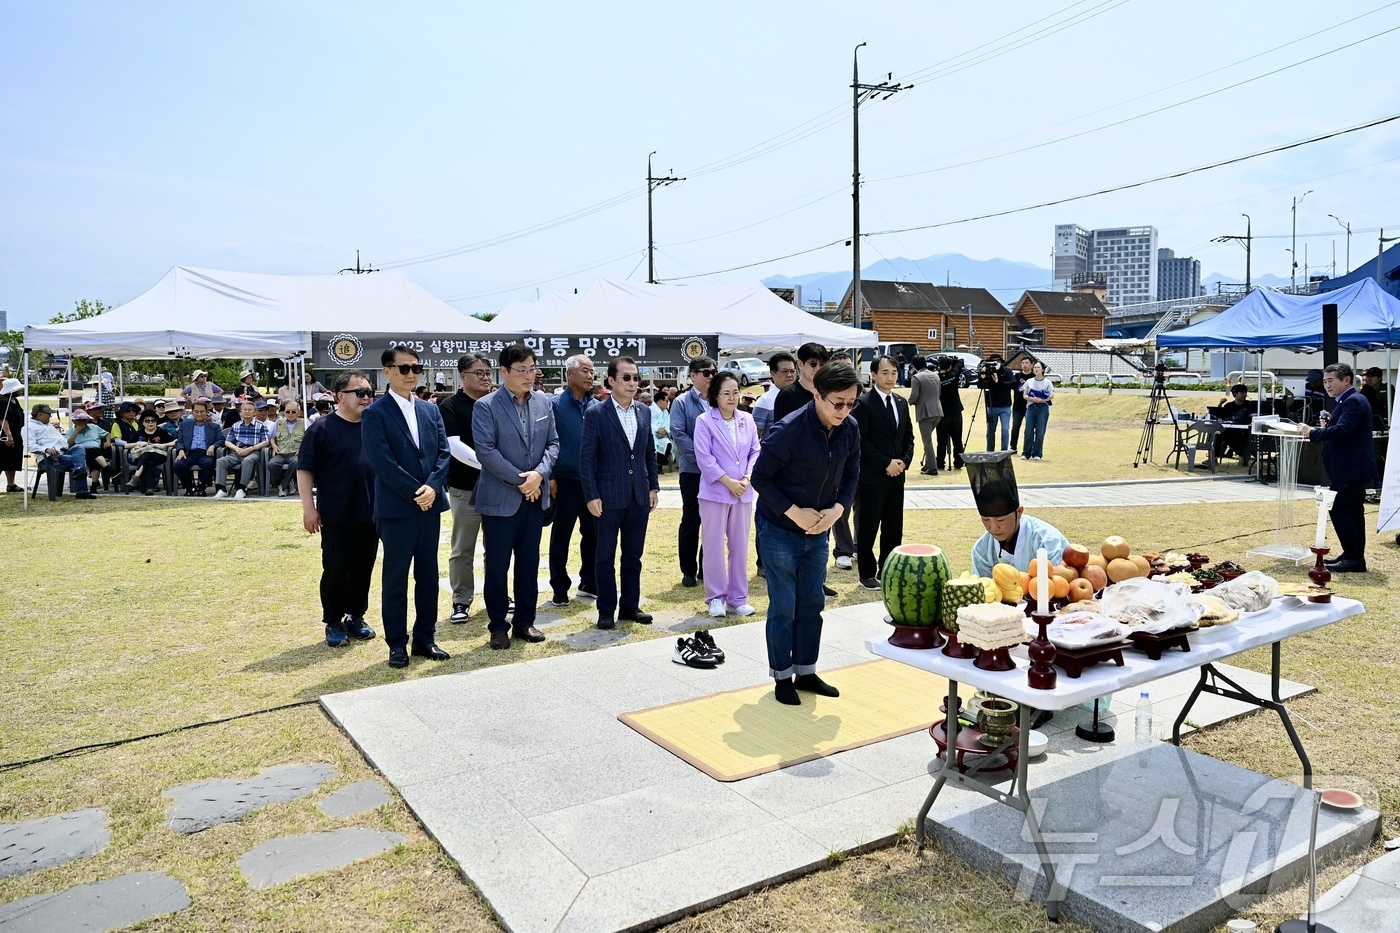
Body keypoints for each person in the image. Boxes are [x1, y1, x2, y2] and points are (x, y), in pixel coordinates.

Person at [753, 361, 861, 705]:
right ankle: (782, 676)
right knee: (784, 605)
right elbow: (760, 478)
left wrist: (839, 509)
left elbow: (853, 472)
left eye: (851, 403)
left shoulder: (851, 428)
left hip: (819, 529)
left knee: (812, 603)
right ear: (817, 393)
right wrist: (794, 513)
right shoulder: (788, 429)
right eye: (838, 403)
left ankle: (806, 670)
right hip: (779, 528)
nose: (844, 411)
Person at [360, 346, 451, 667]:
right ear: (387, 372)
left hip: (429, 505)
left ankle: (425, 639)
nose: (411, 373)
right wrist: (418, 491)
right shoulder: (375, 412)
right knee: (396, 578)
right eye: (404, 368)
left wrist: (433, 486)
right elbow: (381, 462)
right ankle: (397, 644)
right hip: (397, 508)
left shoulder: (430, 410)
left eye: (416, 367)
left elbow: (443, 453)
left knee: (429, 576)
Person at [474, 344, 560, 649]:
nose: (528, 375)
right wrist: (523, 480)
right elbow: (486, 452)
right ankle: (498, 626)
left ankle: (525, 622)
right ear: (505, 372)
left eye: (532, 368)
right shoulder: (485, 406)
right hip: (500, 498)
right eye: (521, 369)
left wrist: (539, 474)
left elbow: (553, 443)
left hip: (534, 497)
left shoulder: (544, 403)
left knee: (529, 562)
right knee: (497, 565)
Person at [298, 370, 378, 647]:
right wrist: (309, 508)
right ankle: (333, 620)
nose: (366, 397)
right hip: (336, 513)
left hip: (370, 512)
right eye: (360, 392)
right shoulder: (321, 429)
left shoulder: (374, 425)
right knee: (335, 567)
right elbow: (305, 471)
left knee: (363, 567)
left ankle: (356, 616)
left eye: (369, 392)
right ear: (339, 397)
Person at [580, 356, 659, 629]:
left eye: (636, 378)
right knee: (604, 557)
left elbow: (649, 453)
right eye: (626, 377)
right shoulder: (595, 413)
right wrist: (591, 495)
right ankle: (605, 609)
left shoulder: (644, 411)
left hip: (638, 496)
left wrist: (653, 486)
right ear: (611, 380)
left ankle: (629, 606)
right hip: (607, 498)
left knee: (633, 556)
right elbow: (586, 459)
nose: (632, 383)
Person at [694, 369, 761, 617]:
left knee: (739, 545)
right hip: (715, 492)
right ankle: (715, 597)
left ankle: (738, 597)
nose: (732, 398)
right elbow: (704, 457)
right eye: (726, 393)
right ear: (715, 395)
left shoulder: (748, 419)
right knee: (713, 546)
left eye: (735, 392)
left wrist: (745, 479)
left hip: (743, 492)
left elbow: (755, 451)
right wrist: (728, 481)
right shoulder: (704, 421)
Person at [1299, 363, 1378, 573]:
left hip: (1350, 468)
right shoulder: (1347, 400)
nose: (1326, 385)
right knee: (1351, 512)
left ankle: (1354, 557)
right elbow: (1341, 429)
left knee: (1343, 510)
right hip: (1348, 468)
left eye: (1331, 380)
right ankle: (1353, 555)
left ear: (1347, 380)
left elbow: (1343, 430)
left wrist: (1312, 433)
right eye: (1324, 381)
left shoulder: (1354, 400)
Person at [851, 355, 914, 589]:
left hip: (898, 476)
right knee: (868, 526)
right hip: (873, 476)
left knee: (893, 527)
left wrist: (904, 462)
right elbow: (862, 440)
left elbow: (909, 437)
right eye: (885, 372)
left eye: (894, 372)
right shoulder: (864, 403)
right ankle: (867, 573)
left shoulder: (901, 402)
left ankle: (889, 569)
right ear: (873, 375)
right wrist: (886, 463)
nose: (890, 377)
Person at [439, 353, 493, 623]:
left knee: (498, 546)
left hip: (499, 489)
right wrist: (490, 466)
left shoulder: (498, 403)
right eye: (479, 373)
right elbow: (454, 446)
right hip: (465, 488)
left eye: (488, 372)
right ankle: (461, 600)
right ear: (463, 377)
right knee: (463, 549)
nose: (486, 378)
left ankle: (498, 594)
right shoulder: (450, 406)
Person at [965, 450, 1068, 576]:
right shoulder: (982, 549)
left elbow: (1059, 585)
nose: (993, 527)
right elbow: (982, 588)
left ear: (1019, 512)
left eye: (1000, 520)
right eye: (985, 520)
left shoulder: (1046, 541)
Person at [548, 354, 599, 607]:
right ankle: (559, 587)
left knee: (592, 535)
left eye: (592, 371)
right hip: (565, 480)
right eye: (586, 371)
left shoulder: (597, 405)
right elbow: (548, 441)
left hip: (592, 482)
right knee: (561, 536)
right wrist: (551, 475)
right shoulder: (555, 404)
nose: (591, 376)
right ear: (570, 374)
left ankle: (589, 582)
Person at [670, 356, 715, 588]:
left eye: (713, 372)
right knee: (691, 519)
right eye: (705, 373)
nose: (710, 376)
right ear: (693, 375)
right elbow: (678, 434)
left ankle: (707, 569)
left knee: (713, 522)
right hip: (693, 471)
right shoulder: (681, 402)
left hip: (719, 473)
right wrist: (705, 461)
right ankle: (688, 570)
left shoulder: (720, 399)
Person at [24, 404, 95, 499]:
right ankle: (82, 490)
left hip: (62, 452)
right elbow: (29, 446)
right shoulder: (29, 427)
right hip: (49, 458)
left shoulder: (49, 426)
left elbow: (66, 444)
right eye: (48, 413)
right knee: (81, 463)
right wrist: (46, 449)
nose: (50, 416)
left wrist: (76, 432)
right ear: (40, 414)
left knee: (79, 447)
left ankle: (78, 471)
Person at [214, 401, 272, 499]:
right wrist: (236, 448)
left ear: (254, 412)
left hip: (253, 451)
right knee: (221, 461)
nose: (247, 412)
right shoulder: (236, 425)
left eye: (250, 410)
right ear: (241, 411)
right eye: (245, 409)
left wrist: (251, 448)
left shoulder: (261, 425)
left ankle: (242, 488)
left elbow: (266, 442)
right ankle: (222, 489)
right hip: (237, 452)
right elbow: (227, 442)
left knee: (247, 461)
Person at [172, 399, 223, 496]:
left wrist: (213, 446)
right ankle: (189, 486)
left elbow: (221, 439)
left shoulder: (214, 426)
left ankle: (201, 486)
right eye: (196, 411)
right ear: (192, 412)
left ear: (207, 412)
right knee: (179, 465)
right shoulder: (184, 425)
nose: (199, 414)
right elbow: (179, 440)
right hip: (189, 453)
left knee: (208, 463)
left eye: (202, 411)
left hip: (206, 453)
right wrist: (181, 450)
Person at [125, 409, 176, 494]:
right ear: (143, 422)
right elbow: (126, 445)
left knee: (146, 455)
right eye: (147, 421)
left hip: (159, 455)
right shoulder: (139, 433)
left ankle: (136, 477)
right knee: (148, 460)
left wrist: (163, 445)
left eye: (153, 420)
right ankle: (150, 488)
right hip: (141, 457)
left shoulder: (161, 432)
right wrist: (138, 443)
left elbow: (175, 441)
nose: (150, 423)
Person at [907, 356, 943, 475]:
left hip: (925, 412)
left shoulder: (916, 377)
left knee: (927, 441)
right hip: (937, 410)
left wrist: (909, 402)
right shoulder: (935, 375)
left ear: (914, 366)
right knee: (929, 441)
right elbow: (939, 393)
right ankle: (928, 464)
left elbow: (914, 395)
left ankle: (932, 468)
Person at [752, 352, 797, 438]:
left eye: (792, 371)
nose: (789, 375)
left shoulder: (800, 395)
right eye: (785, 371)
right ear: (773, 374)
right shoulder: (765, 401)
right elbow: (754, 435)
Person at [66, 408, 111, 488]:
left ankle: (94, 485)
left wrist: (108, 442)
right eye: (78, 420)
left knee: (93, 454)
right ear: (73, 421)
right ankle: (107, 470)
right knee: (90, 451)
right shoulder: (70, 431)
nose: (81, 422)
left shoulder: (94, 427)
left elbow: (107, 434)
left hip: (97, 451)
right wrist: (76, 432)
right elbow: (67, 445)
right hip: (81, 453)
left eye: (84, 420)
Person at [268, 401, 306, 496]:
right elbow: (271, 437)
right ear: (284, 412)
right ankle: (289, 483)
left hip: (295, 453)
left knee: (296, 463)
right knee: (272, 464)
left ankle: (283, 486)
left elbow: (310, 438)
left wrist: (302, 449)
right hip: (281, 452)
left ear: (298, 412)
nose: (290, 414)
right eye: (288, 411)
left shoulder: (305, 422)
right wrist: (274, 446)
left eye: (293, 412)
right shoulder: (279, 422)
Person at [978, 353, 1013, 451]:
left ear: (1001, 362)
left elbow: (1012, 384)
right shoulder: (988, 371)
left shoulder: (1007, 371)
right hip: (991, 405)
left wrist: (999, 382)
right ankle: (990, 451)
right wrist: (983, 375)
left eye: (998, 361)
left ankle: (1004, 451)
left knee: (1005, 430)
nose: (996, 364)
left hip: (1005, 406)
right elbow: (980, 385)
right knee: (990, 430)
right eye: (993, 362)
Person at [936, 356, 966, 471]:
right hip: (955, 412)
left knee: (942, 440)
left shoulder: (937, 378)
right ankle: (958, 462)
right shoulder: (954, 374)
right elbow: (960, 362)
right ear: (949, 367)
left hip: (942, 413)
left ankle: (940, 463)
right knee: (957, 439)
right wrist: (952, 361)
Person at [1020, 361, 1054, 461]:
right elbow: (1025, 395)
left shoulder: (1047, 382)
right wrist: (1032, 399)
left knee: (1040, 432)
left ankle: (1037, 453)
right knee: (1028, 431)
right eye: (1035, 367)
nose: (1036, 369)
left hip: (1042, 408)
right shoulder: (1029, 381)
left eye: (1038, 367)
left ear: (1042, 369)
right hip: (1031, 407)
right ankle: (1026, 453)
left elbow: (1051, 395)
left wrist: (1043, 399)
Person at [1214, 383, 1255, 463]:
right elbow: (1220, 416)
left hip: (1245, 430)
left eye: (1245, 393)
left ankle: (1242, 454)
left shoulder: (1249, 405)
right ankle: (1214, 458)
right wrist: (1220, 404)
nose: (1245, 395)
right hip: (1231, 430)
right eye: (1242, 393)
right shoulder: (1229, 406)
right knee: (1217, 435)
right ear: (1235, 394)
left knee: (1233, 437)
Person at [0, 377, 24, 491]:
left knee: (12, 460)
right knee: (3, 459)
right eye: (18, 389)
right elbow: (3, 419)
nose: (20, 391)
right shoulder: (3, 401)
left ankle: (11, 484)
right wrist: (9, 435)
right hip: (6, 436)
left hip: (17, 435)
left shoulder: (14, 400)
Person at [1008, 356, 1033, 455]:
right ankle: (1013, 447)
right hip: (1018, 406)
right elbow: (1013, 387)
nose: (1025, 365)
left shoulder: (1033, 377)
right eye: (1023, 363)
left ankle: (1028, 449)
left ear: (1031, 364)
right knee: (1015, 427)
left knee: (1029, 428)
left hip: (1030, 406)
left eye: (1027, 363)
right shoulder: (1017, 376)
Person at [650, 392, 673, 472]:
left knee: (668, 444)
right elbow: (647, 424)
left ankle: (659, 465)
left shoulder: (665, 412)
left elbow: (667, 423)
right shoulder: (650, 410)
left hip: (661, 436)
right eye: (666, 401)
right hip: (651, 435)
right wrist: (657, 430)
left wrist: (664, 431)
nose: (668, 403)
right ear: (660, 401)